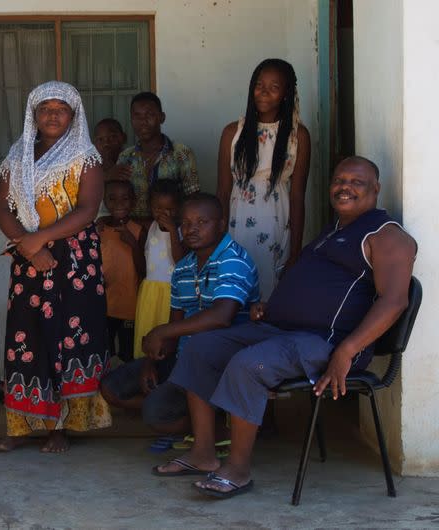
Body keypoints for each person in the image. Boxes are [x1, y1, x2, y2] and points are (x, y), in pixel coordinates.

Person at [164, 157, 417, 498]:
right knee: (200, 347)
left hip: (325, 344)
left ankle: (236, 469)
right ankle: (204, 453)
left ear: (376, 189)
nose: (345, 187)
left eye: (356, 182)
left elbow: (394, 301)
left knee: (249, 364)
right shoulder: (333, 232)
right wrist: (274, 308)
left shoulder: (385, 235)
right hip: (280, 330)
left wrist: (346, 351)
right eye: (339, 180)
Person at [0, 80, 111, 454]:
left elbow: (87, 210)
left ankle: (60, 427)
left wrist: (38, 240)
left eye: (61, 109)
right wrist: (29, 248)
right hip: (29, 261)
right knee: (26, 338)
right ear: (34, 114)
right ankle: (21, 425)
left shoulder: (85, 156)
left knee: (66, 338)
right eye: (45, 108)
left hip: (74, 262)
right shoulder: (17, 156)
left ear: (74, 115)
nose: (53, 115)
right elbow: (2, 209)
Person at [101, 193, 259, 449]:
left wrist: (161, 331)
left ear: (221, 224)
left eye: (201, 222)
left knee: (155, 414)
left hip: (221, 361)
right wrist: (151, 363)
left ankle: (219, 428)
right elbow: (176, 324)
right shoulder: (183, 267)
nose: (191, 229)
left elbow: (222, 316)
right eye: (185, 223)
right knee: (112, 388)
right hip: (184, 357)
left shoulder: (233, 259)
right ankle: (197, 411)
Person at [217, 58, 311, 300]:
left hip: (278, 225)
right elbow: (223, 192)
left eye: (274, 87)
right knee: (235, 294)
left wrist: (296, 253)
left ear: (286, 93)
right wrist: (218, 243)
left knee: (271, 295)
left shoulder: (297, 135)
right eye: (259, 85)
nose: (264, 92)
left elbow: (299, 195)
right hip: (237, 227)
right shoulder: (232, 133)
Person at [114, 92, 199, 220]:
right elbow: (118, 198)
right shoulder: (125, 157)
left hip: (170, 231)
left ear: (162, 117)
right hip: (134, 231)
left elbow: (192, 199)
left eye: (150, 115)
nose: (143, 122)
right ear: (131, 120)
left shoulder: (181, 153)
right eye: (137, 116)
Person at [132, 179, 187, 360]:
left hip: (172, 296)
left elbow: (179, 261)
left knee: (165, 339)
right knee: (147, 331)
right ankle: (141, 370)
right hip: (150, 294)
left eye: (169, 209)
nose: (163, 214)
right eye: (157, 208)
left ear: (179, 208)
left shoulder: (181, 231)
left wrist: (172, 230)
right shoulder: (150, 227)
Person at [98, 180, 145, 363]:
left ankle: (121, 389)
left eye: (125, 199)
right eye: (112, 198)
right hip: (105, 304)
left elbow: (144, 269)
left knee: (128, 352)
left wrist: (133, 243)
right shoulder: (99, 228)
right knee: (105, 350)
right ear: (104, 201)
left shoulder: (139, 231)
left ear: (133, 202)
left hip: (130, 305)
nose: (118, 204)